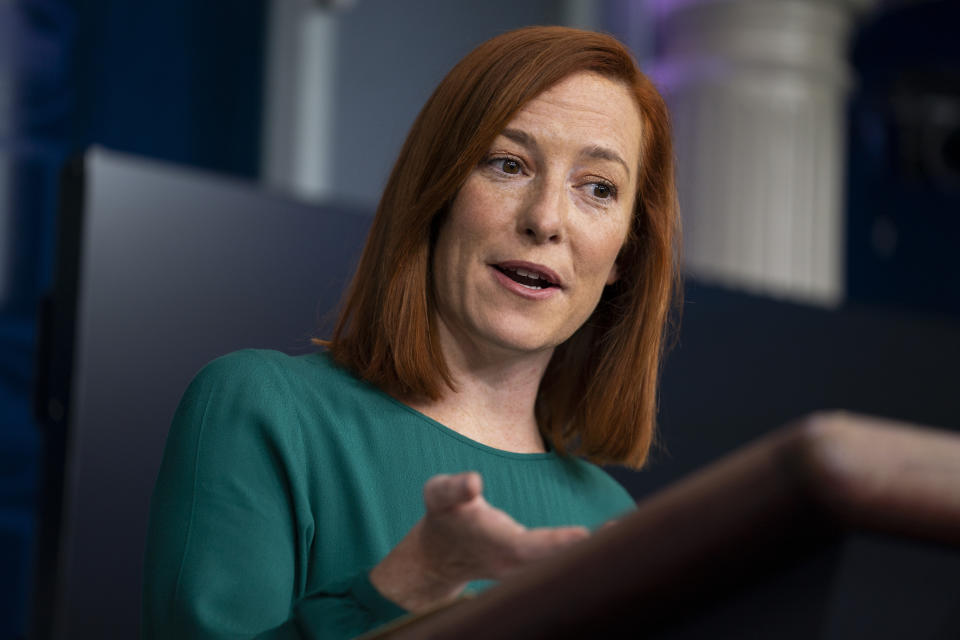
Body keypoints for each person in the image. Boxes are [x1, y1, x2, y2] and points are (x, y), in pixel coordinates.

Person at [142, 25, 679, 639]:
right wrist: (407, 586)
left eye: (598, 189)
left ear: (624, 257)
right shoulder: (262, 408)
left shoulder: (609, 516)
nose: (546, 219)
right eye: (508, 164)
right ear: (439, 191)